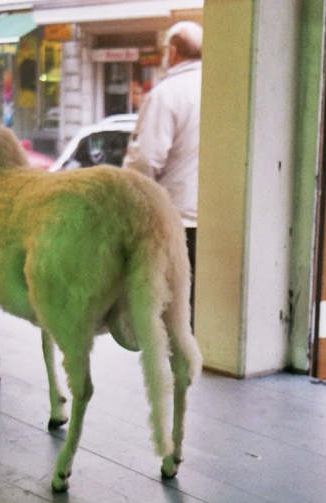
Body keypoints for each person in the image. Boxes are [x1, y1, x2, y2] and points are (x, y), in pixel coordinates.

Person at [123, 21, 202, 317]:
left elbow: (146, 160)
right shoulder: (219, 88)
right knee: (199, 308)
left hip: (174, 218)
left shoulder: (167, 93)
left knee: (171, 308)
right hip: (213, 220)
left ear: (173, 51)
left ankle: (172, 362)